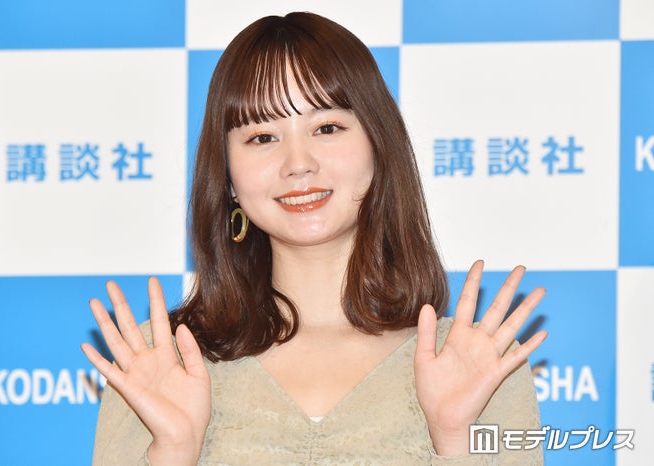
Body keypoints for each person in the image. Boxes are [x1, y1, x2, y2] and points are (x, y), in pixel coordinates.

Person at [81, 11, 547, 465]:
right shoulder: (161, 363)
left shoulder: (474, 361)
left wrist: (454, 440)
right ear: (227, 177)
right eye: (263, 137)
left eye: (327, 128)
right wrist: (173, 453)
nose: (298, 163)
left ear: (379, 146)